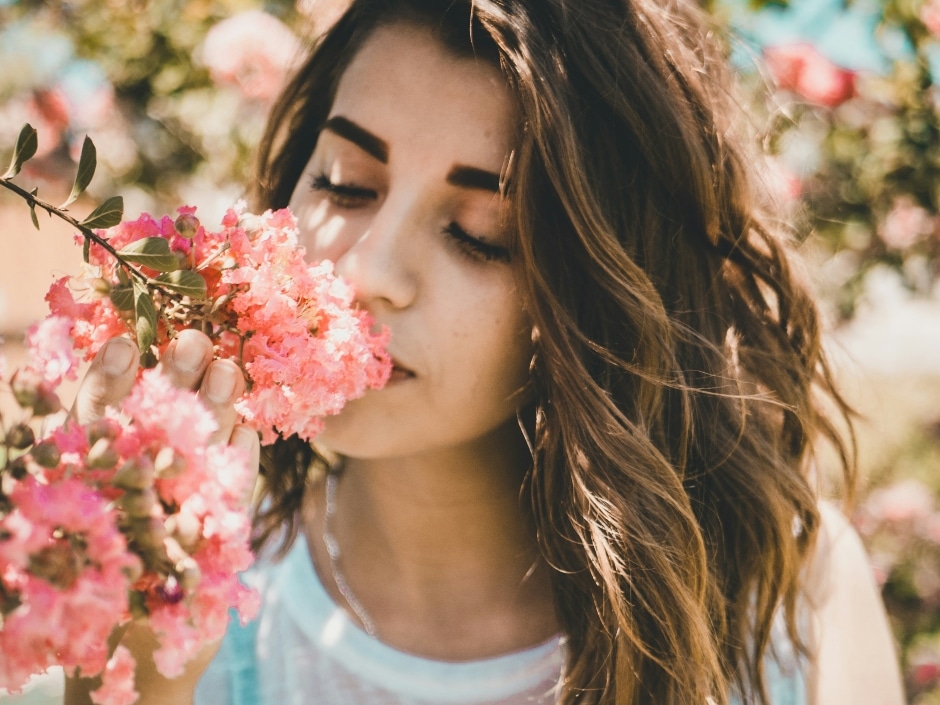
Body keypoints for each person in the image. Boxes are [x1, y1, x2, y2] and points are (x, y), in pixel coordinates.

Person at [64, 0, 905, 703]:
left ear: (600, 296)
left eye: (481, 235)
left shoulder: (794, 596)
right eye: (346, 183)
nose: (367, 271)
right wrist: (138, 655)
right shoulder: (191, 602)